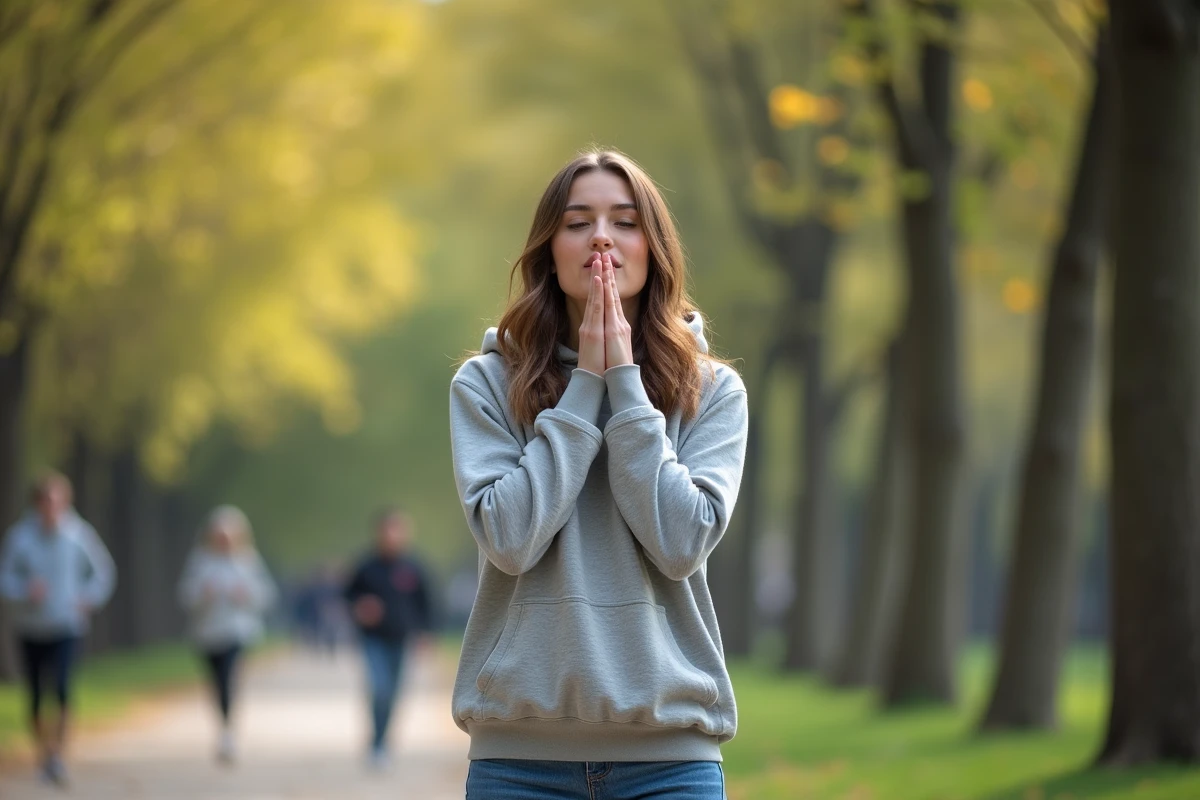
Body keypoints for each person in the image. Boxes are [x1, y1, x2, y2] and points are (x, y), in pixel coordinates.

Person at [449, 149, 748, 799]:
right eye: (578, 221)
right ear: (549, 251)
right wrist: (585, 386)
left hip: (672, 761)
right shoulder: (486, 384)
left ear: (655, 247)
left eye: (625, 220)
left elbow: (681, 543)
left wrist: (626, 389)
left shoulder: (713, 391)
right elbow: (510, 539)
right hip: (517, 762)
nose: (602, 237)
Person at [0, 471, 116, 787]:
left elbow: (103, 573)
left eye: (57, 500)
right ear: (37, 503)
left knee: (63, 689)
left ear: (65, 502)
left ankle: (58, 757)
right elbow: (4, 579)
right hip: (31, 627)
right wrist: (25, 590)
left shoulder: (79, 535)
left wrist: (87, 598)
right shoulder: (20, 538)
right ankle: (44, 752)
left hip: (67, 625)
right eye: (46, 500)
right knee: (36, 696)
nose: (52, 506)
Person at [177, 505, 277, 765]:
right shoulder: (201, 561)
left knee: (229, 679)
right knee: (215, 682)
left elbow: (266, 595)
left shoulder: (248, 560)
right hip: (208, 633)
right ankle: (223, 726)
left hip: (238, 631)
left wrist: (246, 594)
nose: (224, 541)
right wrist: (203, 595)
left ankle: (228, 732)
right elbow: (186, 595)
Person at [343, 509, 433, 769]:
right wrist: (360, 606)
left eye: (398, 530)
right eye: (388, 530)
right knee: (379, 688)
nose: (392, 536)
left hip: (402, 639)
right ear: (379, 533)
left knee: (394, 693)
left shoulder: (414, 567)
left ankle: (383, 740)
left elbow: (425, 603)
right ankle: (376, 744)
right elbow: (348, 595)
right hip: (373, 640)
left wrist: (426, 633)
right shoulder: (366, 566)